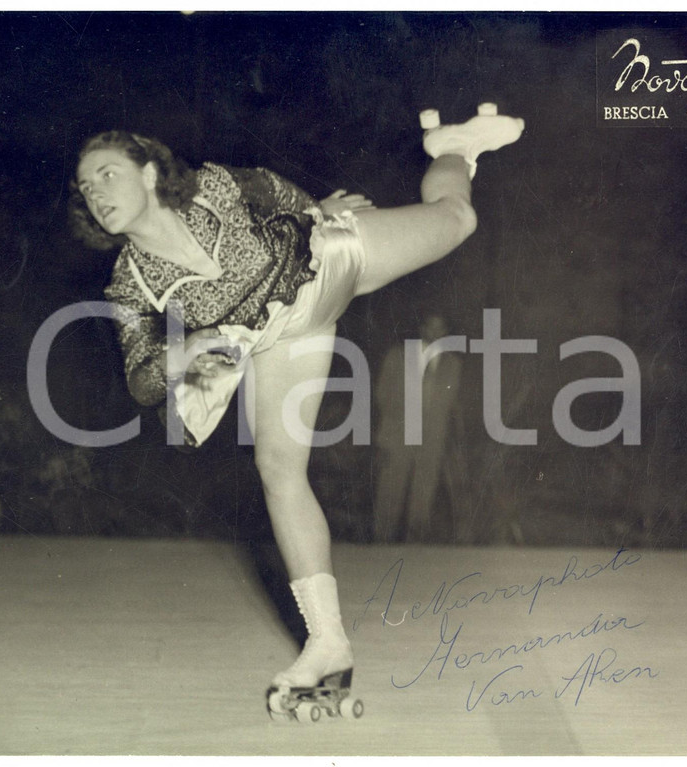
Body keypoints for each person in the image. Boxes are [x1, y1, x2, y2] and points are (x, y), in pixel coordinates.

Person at [70, 104, 524, 718]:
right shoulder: (131, 283)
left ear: (149, 172)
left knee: (458, 218)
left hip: (332, 257)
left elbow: (269, 186)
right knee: (278, 468)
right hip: (285, 336)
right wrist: (183, 353)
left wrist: (318, 211)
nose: (96, 192)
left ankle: (454, 148)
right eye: (86, 186)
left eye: (107, 174)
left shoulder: (207, 188)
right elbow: (142, 382)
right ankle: (327, 642)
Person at [373, 313, 470, 543]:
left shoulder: (453, 364)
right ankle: (380, 544)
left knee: (423, 493)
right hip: (399, 434)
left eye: (440, 329)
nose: (435, 333)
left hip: (432, 439)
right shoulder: (398, 356)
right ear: (422, 328)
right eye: (430, 327)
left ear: (446, 333)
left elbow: (451, 403)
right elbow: (382, 394)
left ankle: (415, 547)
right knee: (390, 491)